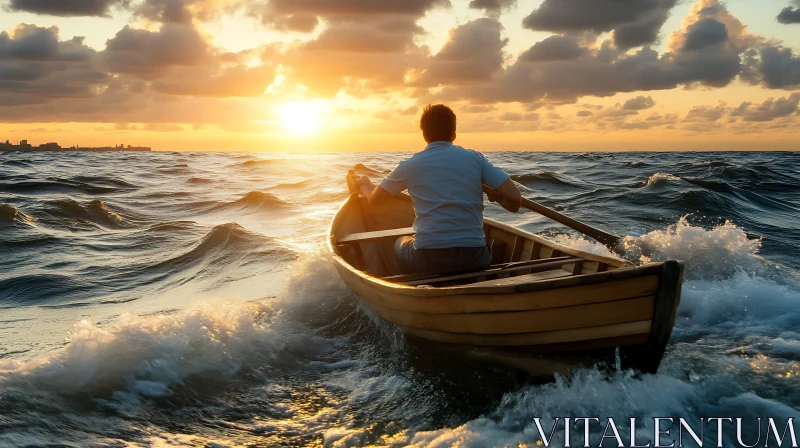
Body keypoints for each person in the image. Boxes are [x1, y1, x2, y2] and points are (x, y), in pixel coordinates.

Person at [353, 104, 522, 274]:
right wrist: (498, 198)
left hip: (429, 259)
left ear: (424, 135)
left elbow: (375, 201)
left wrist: (366, 186)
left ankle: (414, 286)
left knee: (400, 242)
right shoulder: (476, 159)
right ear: (454, 134)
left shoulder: (410, 165)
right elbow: (514, 200)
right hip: (476, 258)